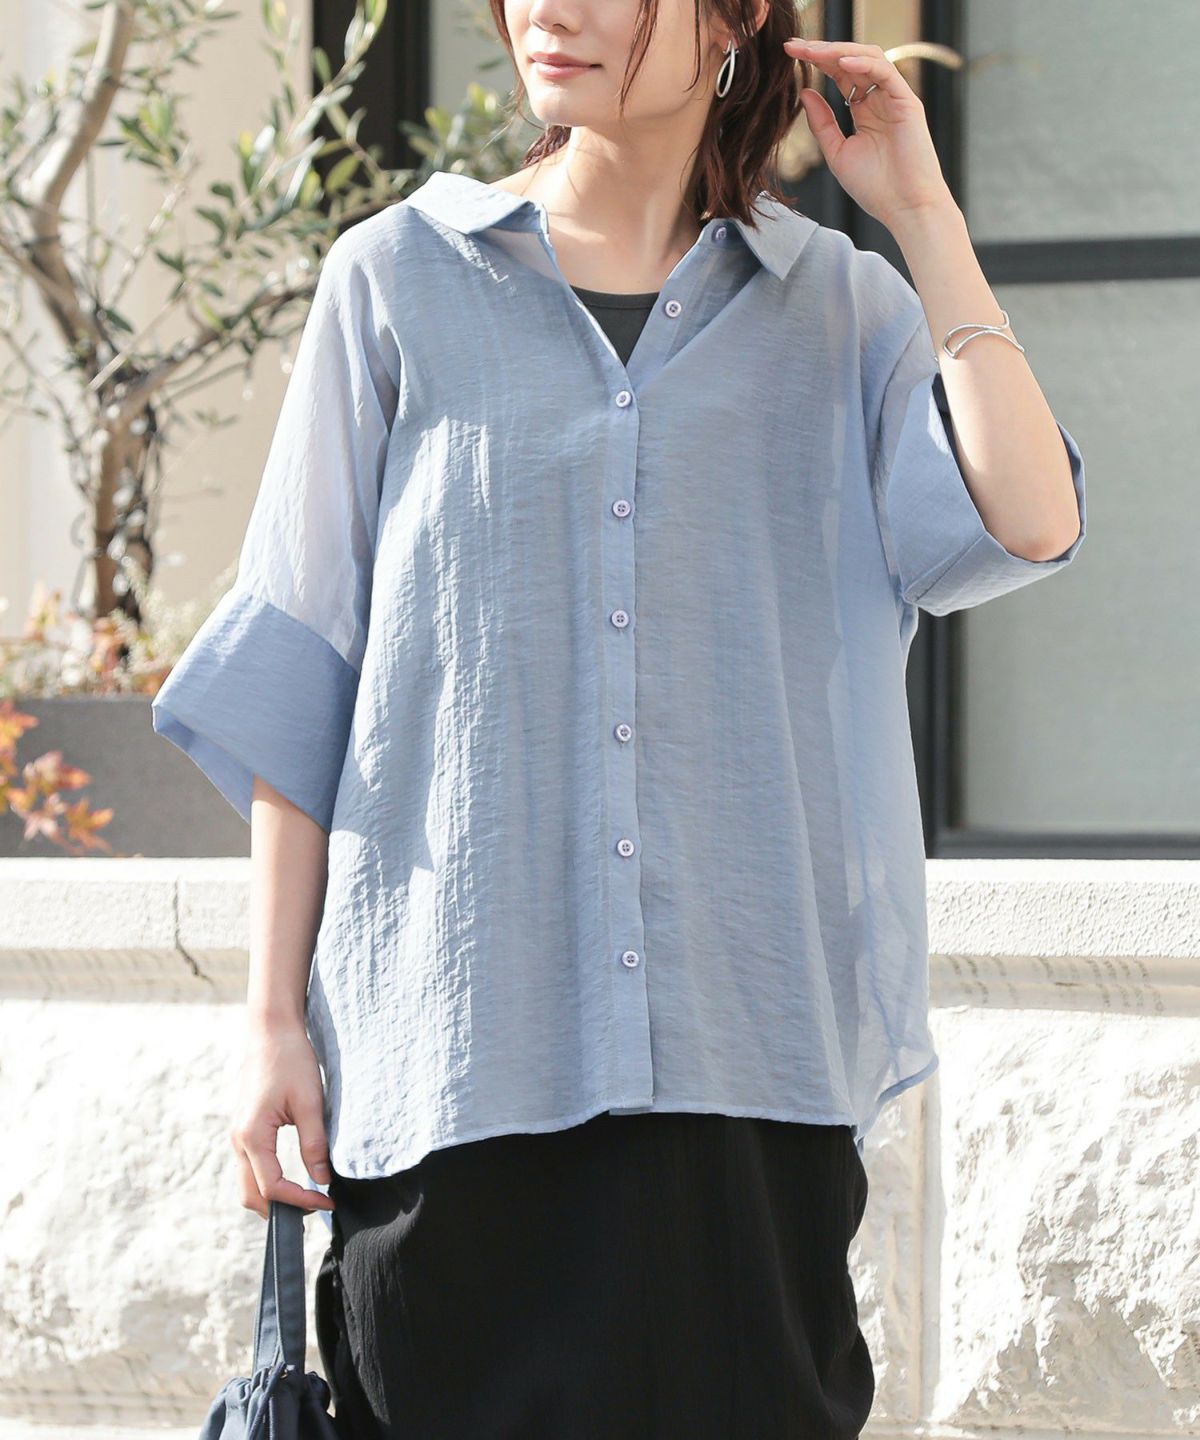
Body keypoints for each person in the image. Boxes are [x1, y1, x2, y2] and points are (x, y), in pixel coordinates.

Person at [151, 1, 1087, 1435]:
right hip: (459, 1064)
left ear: (738, 16)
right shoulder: (396, 278)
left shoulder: (840, 307)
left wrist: (923, 214)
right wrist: (272, 1019)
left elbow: (1029, 517)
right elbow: (302, 673)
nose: (551, 8)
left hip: (745, 1072)